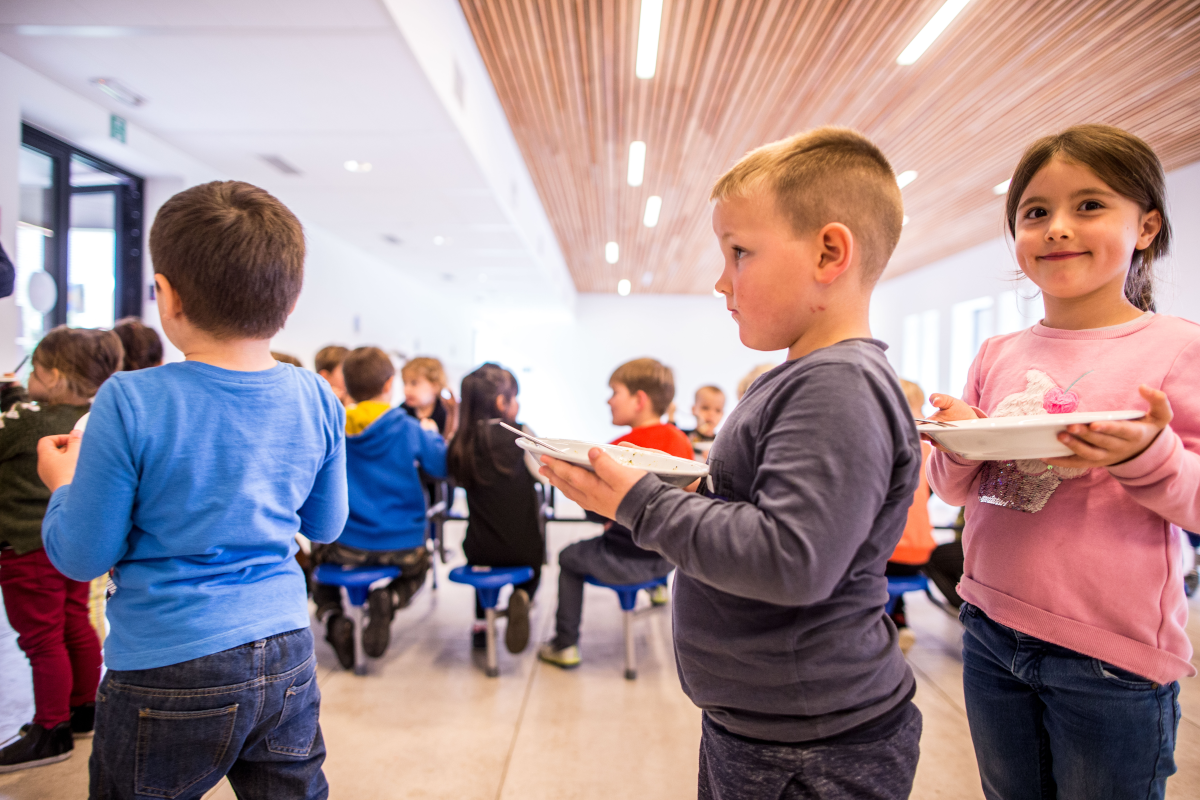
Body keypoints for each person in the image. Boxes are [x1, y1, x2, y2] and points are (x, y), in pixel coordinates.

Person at [539, 127, 922, 799]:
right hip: (773, 725)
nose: (721, 281)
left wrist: (639, 502)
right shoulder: (806, 376)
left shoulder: (837, 385)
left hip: (811, 742)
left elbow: (789, 558)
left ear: (830, 252)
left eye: (739, 252)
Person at [36, 180, 348, 798]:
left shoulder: (130, 400)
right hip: (285, 649)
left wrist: (62, 485)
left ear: (167, 294)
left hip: (166, 662)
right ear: (289, 301)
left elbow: (81, 556)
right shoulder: (314, 393)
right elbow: (326, 525)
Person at [926, 125, 1198, 799]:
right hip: (989, 626)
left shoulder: (1174, 348)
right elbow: (958, 493)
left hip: (1110, 654)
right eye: (1036, 212)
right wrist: (961, 441)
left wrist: (1147, 455)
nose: (1057, 228)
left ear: (1146, 226)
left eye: (1089, 205)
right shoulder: (996, 353)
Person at [0, 327, 123, 772]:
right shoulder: (100, 418)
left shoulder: (26, 419)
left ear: (52, 376)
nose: (28, 377)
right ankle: (83, 708)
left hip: (26, 547)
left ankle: (50, 729)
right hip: (72, 538)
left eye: (33, 369)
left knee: (40, 638)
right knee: (74, 622)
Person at [538, 358, 693, 670]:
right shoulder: (679, 439)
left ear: (639, 400)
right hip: (667, 560)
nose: (608, 400)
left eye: (614, 391)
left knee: (569, 557)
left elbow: (596, 513)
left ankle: (564, 644)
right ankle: (659, 590)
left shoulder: (615, 451)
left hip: (625, 561)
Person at [311, 346, 447, 668]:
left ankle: (333, 620)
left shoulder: (335, 424)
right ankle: (390, 598)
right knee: (421, 566)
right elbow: (441, 467)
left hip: (345, 544)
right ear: (389, 385)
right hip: (403, 545)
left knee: (319, 576)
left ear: (346, 384)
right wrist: (434, 435)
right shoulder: (409, 427)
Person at [447, 363, 543, 653]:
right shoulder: (522, 435)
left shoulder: (460, 443)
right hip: (522, 548)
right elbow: (544, 474)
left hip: (480, 548)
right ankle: (524, 596)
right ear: (503, 402)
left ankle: (481, 625)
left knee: (481, 564)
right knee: (534, 561)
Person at [884, 379, 937, 653]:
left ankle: (883, 625)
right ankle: (900, 621)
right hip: (921, 554)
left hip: (889, 556)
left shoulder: (884, 447)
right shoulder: (930, 452)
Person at [401, 356, 458, 438]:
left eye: (414, 383)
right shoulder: (403, 411)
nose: (406, 389)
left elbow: (448, 443)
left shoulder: (444, 412)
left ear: (435, 386)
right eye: (405, 383)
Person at [682, 385, 725, 460]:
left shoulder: (722, 443)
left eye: (717, 410)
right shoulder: (684, 436)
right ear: (694, 409)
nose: (711, 414)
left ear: (722, 415)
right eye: (705, 408)